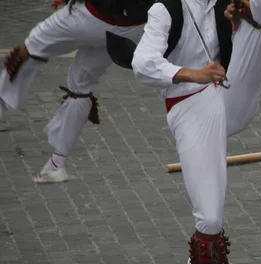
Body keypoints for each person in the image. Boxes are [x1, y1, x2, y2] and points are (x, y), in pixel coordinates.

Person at [131, 0, 261, 264]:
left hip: (229, 93)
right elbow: (142, 64)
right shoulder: (165, 9)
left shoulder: (226, 2)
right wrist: (195, 73)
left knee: (256, 18)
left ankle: (254, 19)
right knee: (210, 221)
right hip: (189, 103)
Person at [0, 0, 151, 182]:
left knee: (30, 48)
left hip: (91, 16)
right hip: (132, 27)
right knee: (81, 87)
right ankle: (56, 165)